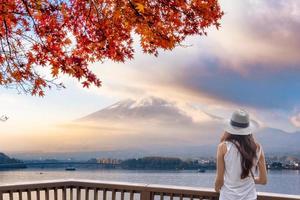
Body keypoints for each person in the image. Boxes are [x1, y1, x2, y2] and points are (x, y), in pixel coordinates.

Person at [214, 109, 267, 200]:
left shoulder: (223, 147)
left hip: (228, 197)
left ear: (229, 128)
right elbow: (263, 180)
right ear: (248, 129)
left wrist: (216, 189)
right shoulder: (257, 148)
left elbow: (219, 180)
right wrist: (247, 181)